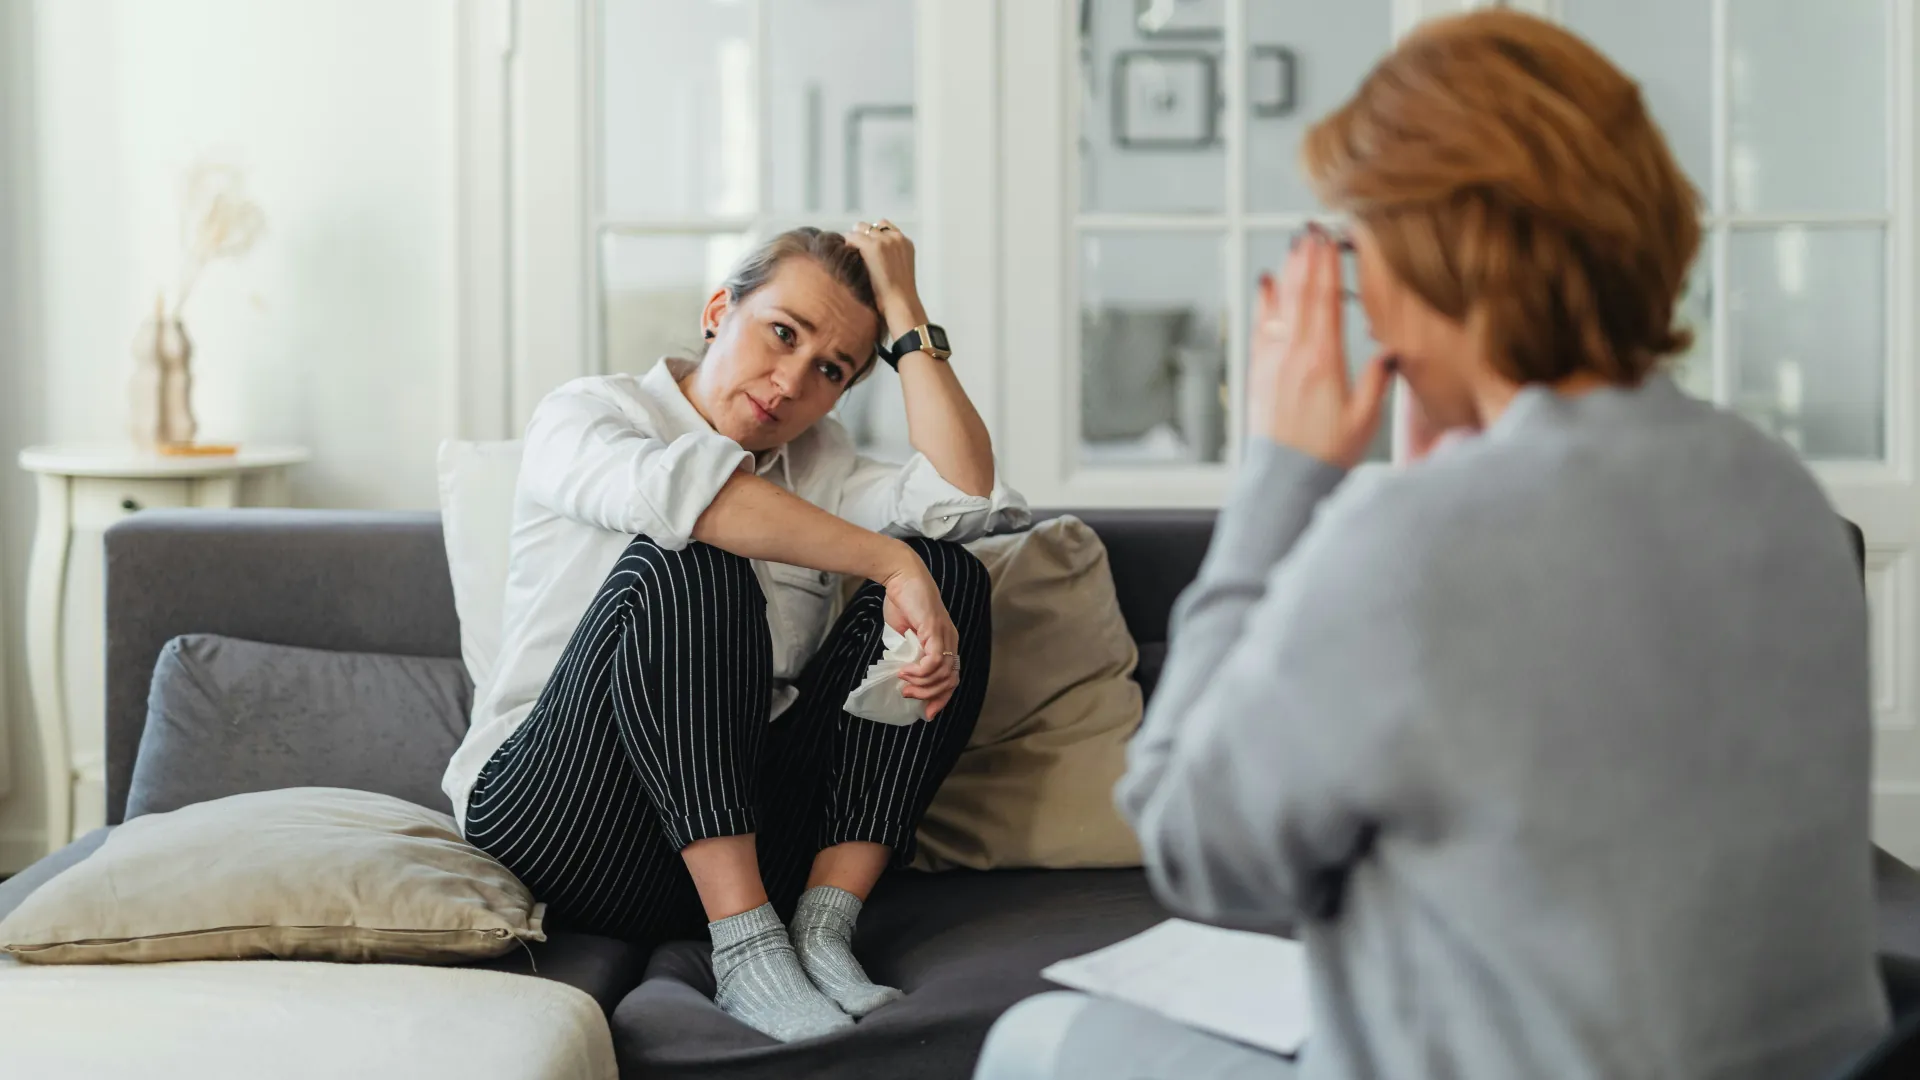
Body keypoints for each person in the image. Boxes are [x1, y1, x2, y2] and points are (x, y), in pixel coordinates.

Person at [975, 10, 1888, 1080]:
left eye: (1364, 254)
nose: (1369, 311)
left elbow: (1193, 847)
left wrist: (1282, 473)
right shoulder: (1776, 488)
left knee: (1036, 1044)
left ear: (1436, 256)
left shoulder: (1415, 543)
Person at [443, 223, 1027, 1043]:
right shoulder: (589, 414)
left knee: (952, 572)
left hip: (745, 833)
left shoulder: (817, 461)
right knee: (695, 556)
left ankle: (819, 933)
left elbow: (967, 496)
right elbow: (698, 500)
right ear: (720, 309)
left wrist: (906, 310)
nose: (791, 382)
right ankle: (748, 952)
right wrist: (889, 563)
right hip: (562, 817)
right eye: (782, 333)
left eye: (831, 370)